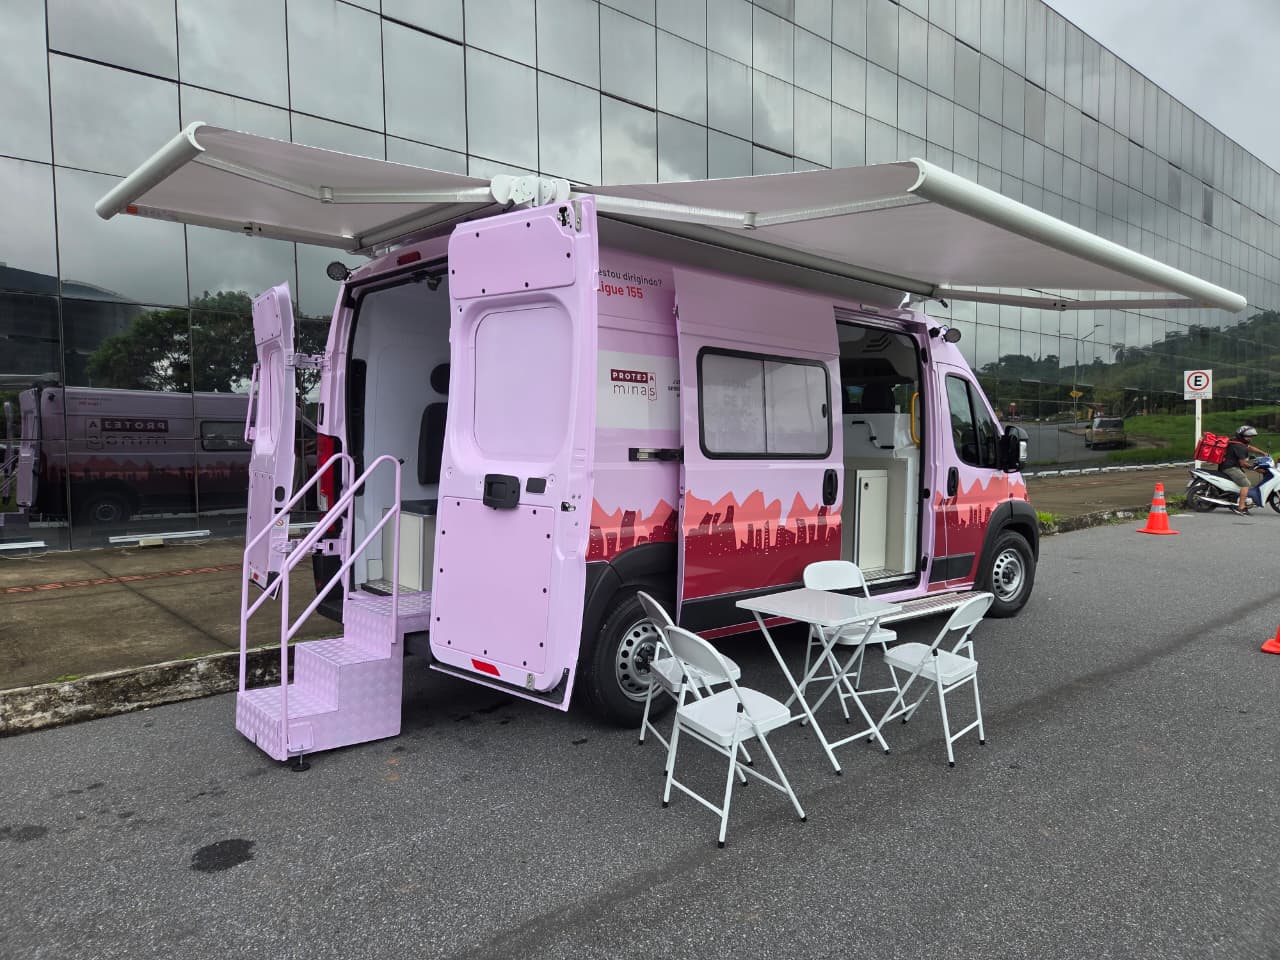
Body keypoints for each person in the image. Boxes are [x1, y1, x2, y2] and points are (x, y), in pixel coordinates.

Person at [1221, 425, 1267, 515]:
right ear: (1241, 436)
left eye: (1251, 436)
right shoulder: (1239, 447)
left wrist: (1263, 453)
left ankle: (1235, 499)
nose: (1250, 438)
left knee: (1241, 481)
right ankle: (1241, 507)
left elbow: (1249, 447)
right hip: (1230, 468)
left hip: (1229, 465)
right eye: (1248, 436)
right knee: (1246, 484)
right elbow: (1243, 464)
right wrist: (1256, 469)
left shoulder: (1237, 441)